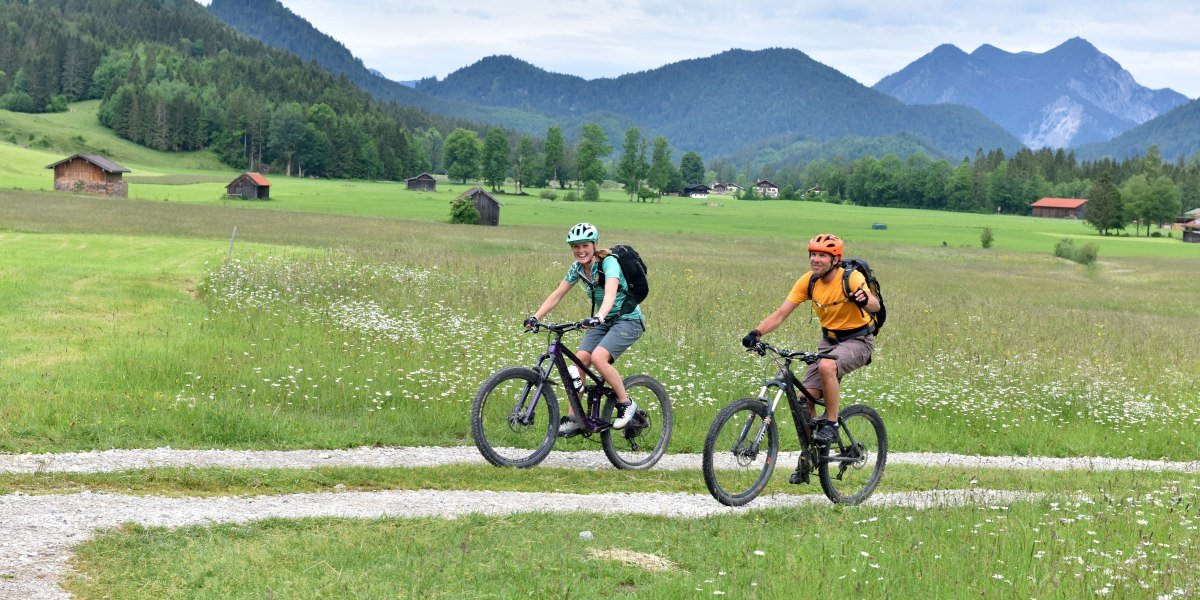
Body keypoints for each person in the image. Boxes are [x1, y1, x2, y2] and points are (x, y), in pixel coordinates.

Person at [741, 233, 879, 448]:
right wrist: (756, 333)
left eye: (822, 255)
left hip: (859, 341)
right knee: (802, 401)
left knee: (826, 366)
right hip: (828, 343)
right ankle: (812, 453)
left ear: (835, 259)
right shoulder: (809, 281)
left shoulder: (850, 278)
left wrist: (864, 300)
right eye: (813, 254)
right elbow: (780, 314)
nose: (815, 259)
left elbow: (874, 305)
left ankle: (832, 424)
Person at [525, 223, 644, 434]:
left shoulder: (609, 263)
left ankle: (626, 404)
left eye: (585, 246)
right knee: (579, 363)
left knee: (598, 358)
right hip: (604, 320)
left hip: (628, 320)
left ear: (594, 245)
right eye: (576, 246)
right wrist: (535, 317)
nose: (580, 251)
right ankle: (574, 419)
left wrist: (599, 316)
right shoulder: (577, 269)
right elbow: (557, 295)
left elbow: (610, 293)